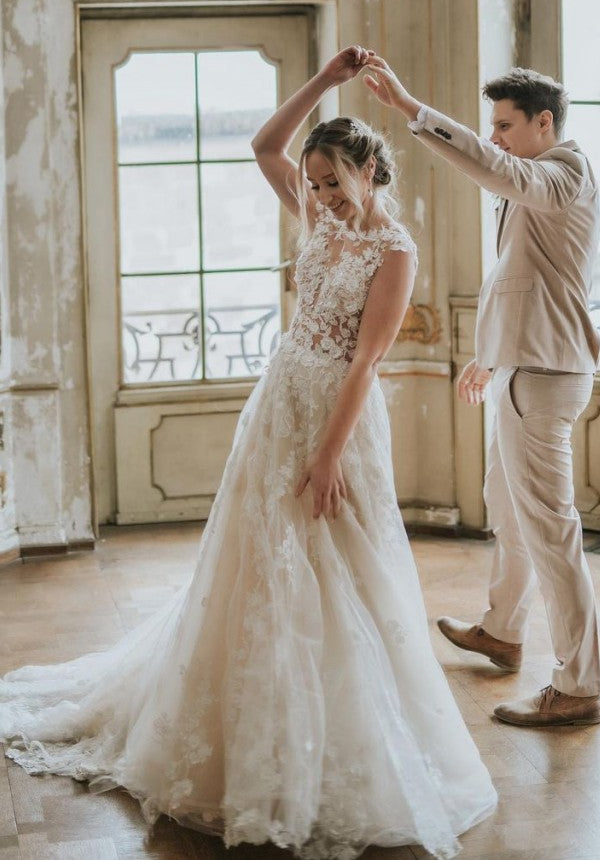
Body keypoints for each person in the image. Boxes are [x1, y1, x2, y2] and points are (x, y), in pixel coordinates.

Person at [0, 46, 496, 859]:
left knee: (338, 557)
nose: (326, 195)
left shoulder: (394, 251)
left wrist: (331, 455)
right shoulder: (314, 217)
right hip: (279, 403)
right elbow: (265, 147)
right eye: (319, 181)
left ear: (372, 169)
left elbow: (367, 361)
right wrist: (324, 84)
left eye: (338, 179)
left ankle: (339, 728)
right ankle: (243, 711)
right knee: (259, 554)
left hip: (337, 414)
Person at [364, 55, 600, 727]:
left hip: (544, 375)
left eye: (502, 124)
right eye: (491, 126)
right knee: (510, 506)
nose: (493, 137)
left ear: (543, 122)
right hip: (522, 366)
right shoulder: (542, 183)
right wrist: (488, 357)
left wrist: (413, 109)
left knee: (551, 531)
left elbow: (501, 172)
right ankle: (502, 630)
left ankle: (584, 681)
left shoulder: (566, 171)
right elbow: (522, 280)